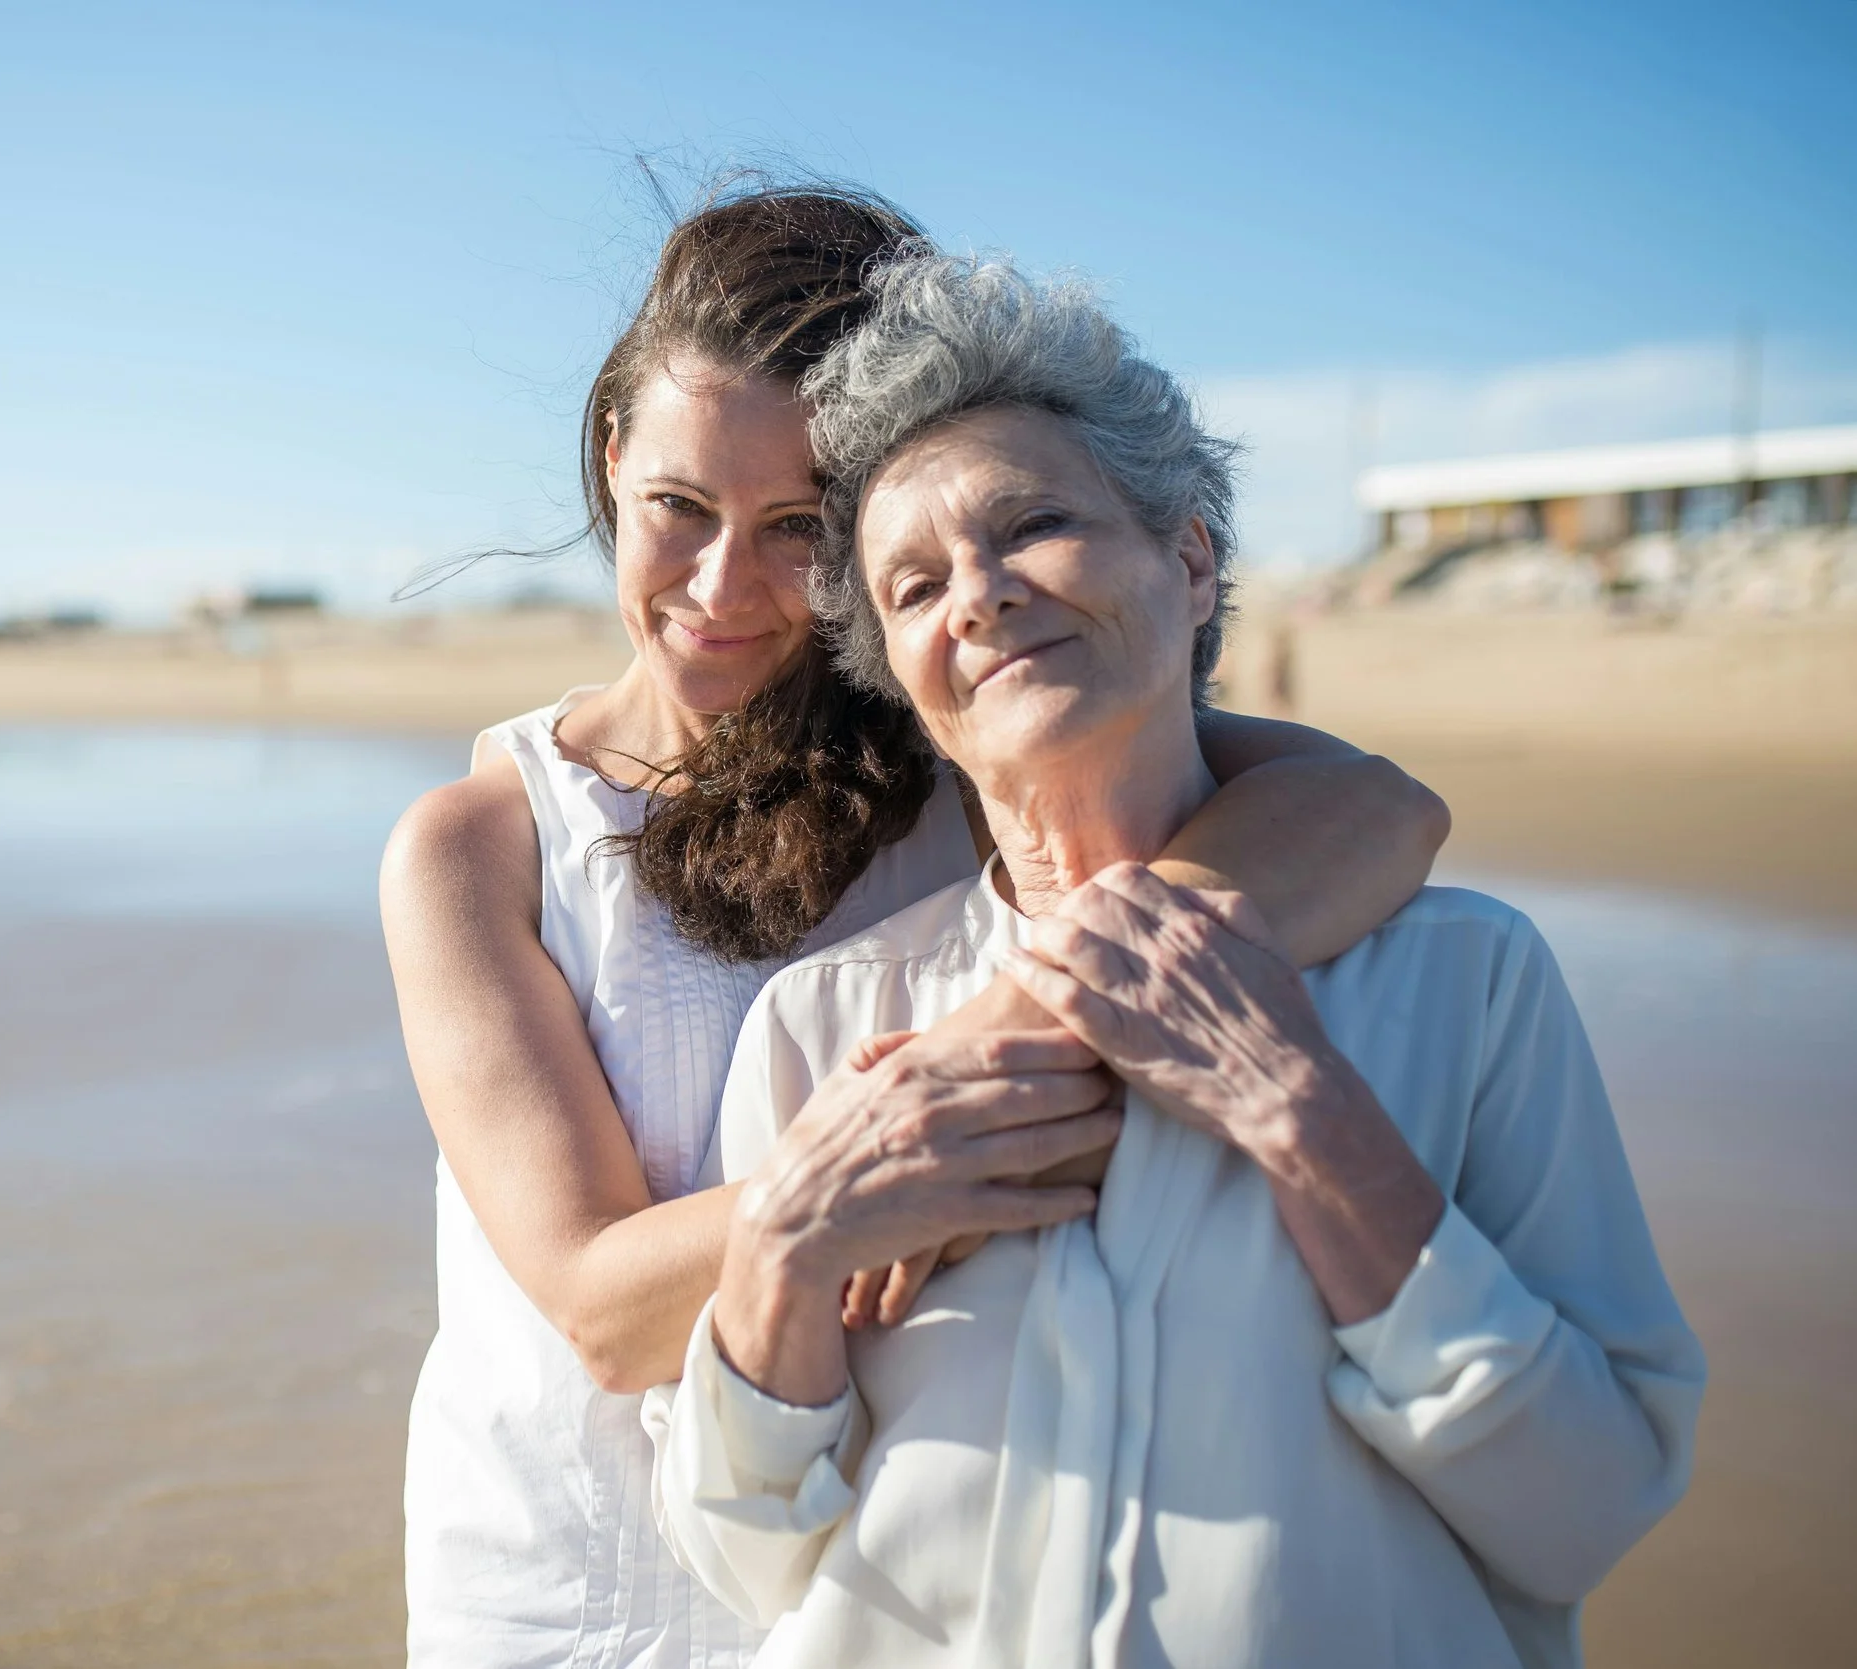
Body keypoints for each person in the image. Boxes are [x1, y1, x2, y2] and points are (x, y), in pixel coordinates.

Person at [379, 185, 1453, 1669]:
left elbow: (1375, 812)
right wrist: (908, 1140)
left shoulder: (962, 765)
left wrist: (990, 1059)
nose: (720, 591)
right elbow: (600, 1306)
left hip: (871, 1589)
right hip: (565, 1594)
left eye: (798, 532)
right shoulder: (481, 845)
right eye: (678, 510)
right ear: (613, 459)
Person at [647, 251, 1704, 1668]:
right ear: (898, 671)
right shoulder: (826, 1024)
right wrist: (778, 1249)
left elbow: (1590, 1505)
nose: (976, 596)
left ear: (1192, 563)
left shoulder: (1466, 982)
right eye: (912, 587)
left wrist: (1301, 1113)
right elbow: (742, 1557)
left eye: (1033, 526)